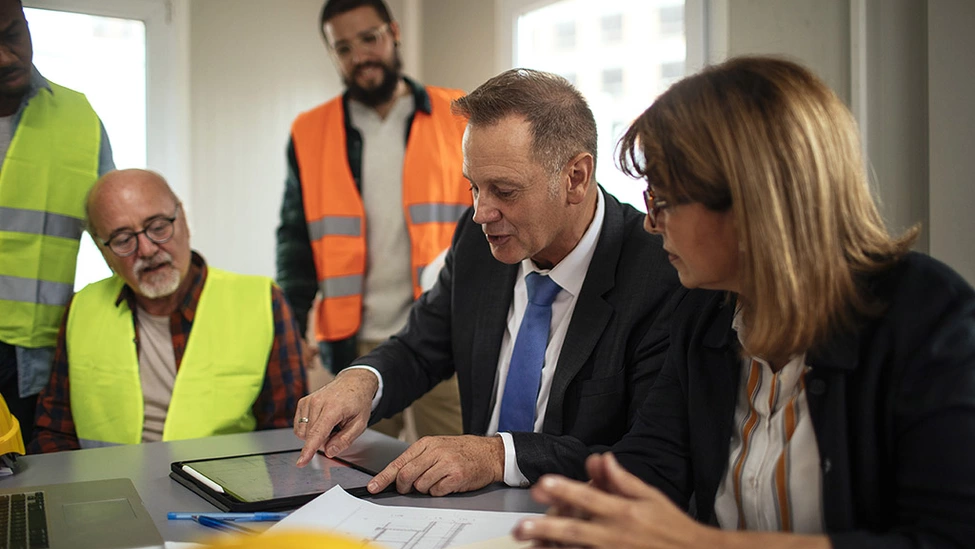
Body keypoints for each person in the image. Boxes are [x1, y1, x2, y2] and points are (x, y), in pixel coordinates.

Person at [512, 56, 975, 548]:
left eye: (663, 202)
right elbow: (651, 465)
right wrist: (590, 514)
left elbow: (950, 539)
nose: (650, 223)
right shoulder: (703, 314)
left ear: (752, 201)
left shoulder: (927, 317)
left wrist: (701, 545)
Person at [293, 68, 682, 497]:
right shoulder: (479, 242)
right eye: (474, 188)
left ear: (576, 177)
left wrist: (497, 456)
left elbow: (649, 458)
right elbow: (420, 346)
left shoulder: (660, 273)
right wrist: (363, 380)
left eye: (505, 190)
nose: (481, 212)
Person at [276, 0, 470, 441]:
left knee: (462, 472)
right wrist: (292, 326)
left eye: (369, 38)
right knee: (350, 475)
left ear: (394, 32)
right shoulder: (310, 132)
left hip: (444, 336)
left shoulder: (457, 114)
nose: (360, 55)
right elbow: (295, 241)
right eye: (343, 48)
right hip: (354, 347)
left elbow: (488, 219)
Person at [29, 169, 306, 452]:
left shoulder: (262, 301)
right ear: (103, 251)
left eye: (158, 227)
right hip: (104, 488)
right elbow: (54, 430)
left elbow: (285, 435)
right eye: (123, 240)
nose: (147, 250)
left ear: (183, 220)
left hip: (223, 491)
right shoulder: (82, 307)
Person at [0, 0, 115, 445]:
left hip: (36, 357)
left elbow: (115, 232)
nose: (6, 57)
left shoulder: (78, 116)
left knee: (29, 489)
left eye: (12, 34)